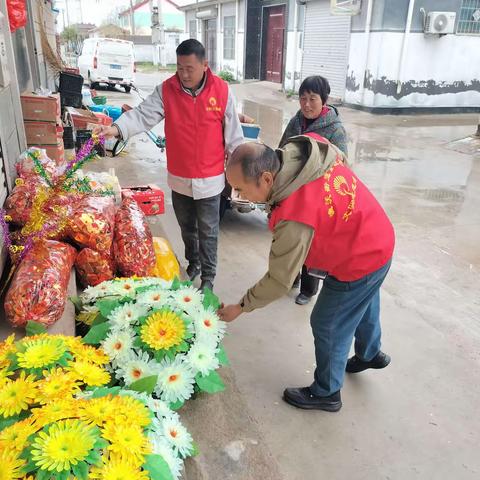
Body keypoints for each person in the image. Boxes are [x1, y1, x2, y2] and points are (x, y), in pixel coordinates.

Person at [218, 136, 394, 412]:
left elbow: (279, 280)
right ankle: (370, 353)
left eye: (241, 189)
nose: (240, 196)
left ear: (266, 178)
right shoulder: (304, 149)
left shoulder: (294, 216)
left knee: (328, 323)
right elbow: (339, 156)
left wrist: (241, 307)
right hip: (377, 235)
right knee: (364, 298)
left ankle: (327, 392)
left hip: (360, 256)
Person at [94, 39, 244, 292]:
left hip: (211, 179)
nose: (184, 74)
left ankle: (208, 277)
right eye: (179, 68)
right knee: (187, 227)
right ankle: (193, 262)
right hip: (180, 177)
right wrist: (116, 128)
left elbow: (234, 138)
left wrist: (240, 174)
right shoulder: (167, 90)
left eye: (189, 68)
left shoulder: (222, 91)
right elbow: (143, 115)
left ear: (205, 66)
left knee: (209, 231)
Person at [279, 75, 348, 306]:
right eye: (303, 98)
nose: (307, 104)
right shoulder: (296, 121)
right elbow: (282, 149)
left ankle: (308, 289)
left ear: (324, 101)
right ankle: (291, 278)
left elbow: (342, 166)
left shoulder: (335, 130)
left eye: (313, 99)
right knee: (292, 238)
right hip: (294, 192)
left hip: (318, 197)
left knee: (310, 243)